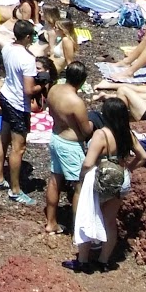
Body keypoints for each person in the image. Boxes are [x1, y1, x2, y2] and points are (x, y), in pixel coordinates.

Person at [70, 96, 146, 272]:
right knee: (110, 221)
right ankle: (104, 261)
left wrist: (81, 178)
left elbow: (89, 163)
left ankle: (83, 261)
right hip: (120, 180)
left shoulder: (101, 134)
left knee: (88, 216)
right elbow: (143, 156)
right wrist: (128, 170)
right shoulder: (128, 134)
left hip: (100, 179)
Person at [43, 61, 92, 237]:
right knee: (80, 186)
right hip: (70, 145)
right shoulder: (76, 102)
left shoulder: (54, 89)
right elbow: (86, 131)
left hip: (55, 137)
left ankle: (51, 222)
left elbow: (49, 113)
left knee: (55, 179)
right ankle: (79, 231)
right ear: (81, 81)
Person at [0, 19, 38, 205]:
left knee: (3, 137)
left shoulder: (7, 48)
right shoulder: (28, 59)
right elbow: (28, 90)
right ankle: (15, 189)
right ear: (27, 37)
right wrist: (41, 85)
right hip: (19, 104)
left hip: (6, 95)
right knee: (18, 148)